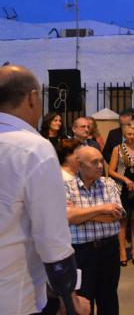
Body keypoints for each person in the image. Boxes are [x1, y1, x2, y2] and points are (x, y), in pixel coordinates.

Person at [0, 65, 88, 315]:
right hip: (14, 297)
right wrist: (70, 300)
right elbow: (52, 239)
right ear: (32, 97)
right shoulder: (33, 149)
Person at [66, 146, 124, 315]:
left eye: (101, 161)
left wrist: (81, 214)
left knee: (108, 298)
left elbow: (117, 215)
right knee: (83, 299)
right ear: (79, 165)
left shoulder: (108, 183)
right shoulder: (67, 187)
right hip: (81, 252)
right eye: (94, 162)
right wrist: (104, 208)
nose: (100, 165)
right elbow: (67, 217)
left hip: (109, 250)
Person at [107, 121, 134, 267]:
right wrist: (124, 178)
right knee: (122, 222)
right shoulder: (117, 149)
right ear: (124, 135)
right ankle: (122, 253)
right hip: (121, 189)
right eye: (129, 134)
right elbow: (111, 171)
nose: (132, 137)